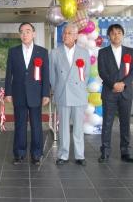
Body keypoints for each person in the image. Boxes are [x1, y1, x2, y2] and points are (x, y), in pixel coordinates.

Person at [5, 22, 50, 165]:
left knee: (37, 125)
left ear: (34, 34)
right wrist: (8, 92)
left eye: (28, 31)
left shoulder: (42, 52)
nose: (25, 34)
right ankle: (19, 154)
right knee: (20, 125)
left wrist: (46, 94)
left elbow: (46, 74)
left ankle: (36, 154)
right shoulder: (13, 51)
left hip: (36, 94)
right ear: (19, 35)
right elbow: (8, 75)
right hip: (18, 94)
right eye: (22, 32)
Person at [49, 23, 90, 166]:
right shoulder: (55, 52)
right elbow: (52, 76)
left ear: (76, 36)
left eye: (69, 33)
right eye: (64, 33)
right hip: (63, 94)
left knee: (78, 127)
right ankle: (63, 154)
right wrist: (58, 89)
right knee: (64, 127)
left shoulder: (84, 53)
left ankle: (80, 155)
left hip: (79, 94)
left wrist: (80, 88)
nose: (65, 35)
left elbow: (86, 74)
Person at [98, 24, 133, 163]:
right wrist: (114, 84)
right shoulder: (103, 52)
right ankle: (105, 152)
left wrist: (123, 84)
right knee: (107, 123)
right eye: (113, 33)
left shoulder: (131, 52)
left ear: (123, 35)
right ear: (109, 36)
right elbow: (102, 72)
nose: (116, 35)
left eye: (119, 33)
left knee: (125, 122)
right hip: (109, 92)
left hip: (126, 92)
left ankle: (125, 151)